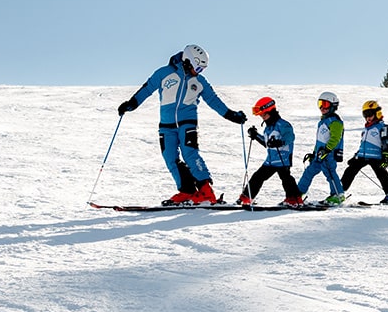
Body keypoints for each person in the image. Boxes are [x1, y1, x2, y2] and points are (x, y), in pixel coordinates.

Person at [117, 44, 247, 205]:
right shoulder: (164, 73)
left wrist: (231, 115)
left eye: (202, 70)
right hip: (166, 125)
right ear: (187, 61)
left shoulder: (199, 82)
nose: (198, 72)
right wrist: (131, 104)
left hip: (188, 123)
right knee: (170, 157)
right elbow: (147, 89)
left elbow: (213, 100)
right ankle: (187, 191)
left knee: (190, 154)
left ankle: (206, 191)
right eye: (198, 68)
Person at [238, 97, 302, 206]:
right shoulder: (268, 128)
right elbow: (267, 144)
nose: (262, 117)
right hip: (270, 161)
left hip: (283, 159)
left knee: (286, 179)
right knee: (257, 177)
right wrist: (256, 135)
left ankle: (294, 199)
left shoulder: (283, 125)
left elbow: (290, 137)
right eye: (261, 116)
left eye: (264, 115)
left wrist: (280, 142)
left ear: (271, 111)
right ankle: (246, 198)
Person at [339, 100, 388, 204]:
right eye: (365, 115)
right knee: (350, 171)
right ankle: (339, 192)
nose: (367, 117)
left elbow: (386, 142)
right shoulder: (366, 129)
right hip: (362, 156)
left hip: (376, 156)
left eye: (370, 114)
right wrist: (355, 156)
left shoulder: (383, 127)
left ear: (377, 113)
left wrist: (385, 157)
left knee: (382, 174)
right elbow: (363, 144)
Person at [298, 91, 346, 204]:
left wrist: (327, 149)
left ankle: (338, 195)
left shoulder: (335, 122)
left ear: (333, 106)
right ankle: (298, 193)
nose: (322, 107)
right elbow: (319, 141)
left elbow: (336, 138)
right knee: (308, 172)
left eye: (325, 104)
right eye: (320, 104)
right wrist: (314, 153)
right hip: (320, 154)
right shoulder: (322, 122)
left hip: (329, 154)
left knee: (329, 172)